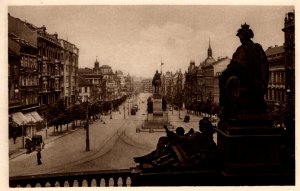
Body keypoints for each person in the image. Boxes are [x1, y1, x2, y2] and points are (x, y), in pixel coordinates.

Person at [219, 23, 269, 120]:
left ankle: (226, 109)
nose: (240, 39)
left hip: (248, 82)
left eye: (240, 37)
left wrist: (227, 71)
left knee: (223, 79)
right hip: (259, 83)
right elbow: (264, 65)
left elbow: (236, 67)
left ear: (242, 37)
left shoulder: (242, 49)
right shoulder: (258, 47)